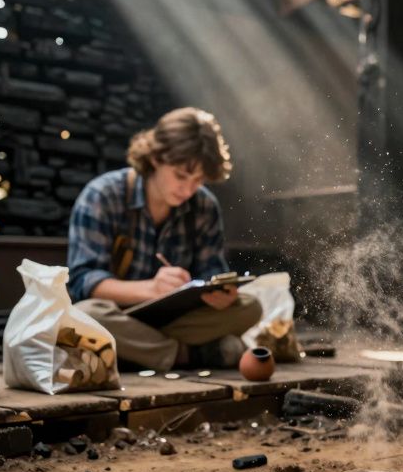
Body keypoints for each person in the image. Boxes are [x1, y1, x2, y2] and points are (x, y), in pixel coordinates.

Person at [67, 107, 261, 370]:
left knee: (250, 306)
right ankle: (188, 355)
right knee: (84, 315)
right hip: (117, 315)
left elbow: (213, 272)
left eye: (199, 180)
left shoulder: (204, 206)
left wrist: (220, 293)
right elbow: (82, 282)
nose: (188, 189)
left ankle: (135, 353)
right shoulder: (103, 195)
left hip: (176, 320)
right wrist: (151, 289)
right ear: (156, 157)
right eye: (181, 175)